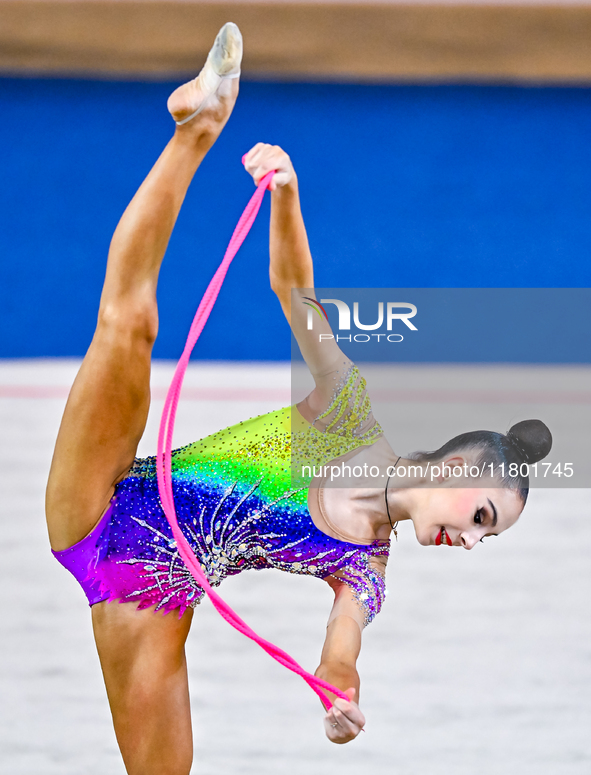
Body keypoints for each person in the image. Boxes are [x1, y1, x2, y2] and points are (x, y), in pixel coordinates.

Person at [45, 22, 552, 775]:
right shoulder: (347, 411)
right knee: (130, 323)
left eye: (489, 536)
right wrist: (286, 194)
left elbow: (340, 647)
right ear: (452, 469)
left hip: (147, 597)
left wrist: (338, 693)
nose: (471, 542)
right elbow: (293, 292)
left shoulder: (367, 570)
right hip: (103, 495)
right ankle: (198, 127)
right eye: (481, 516)